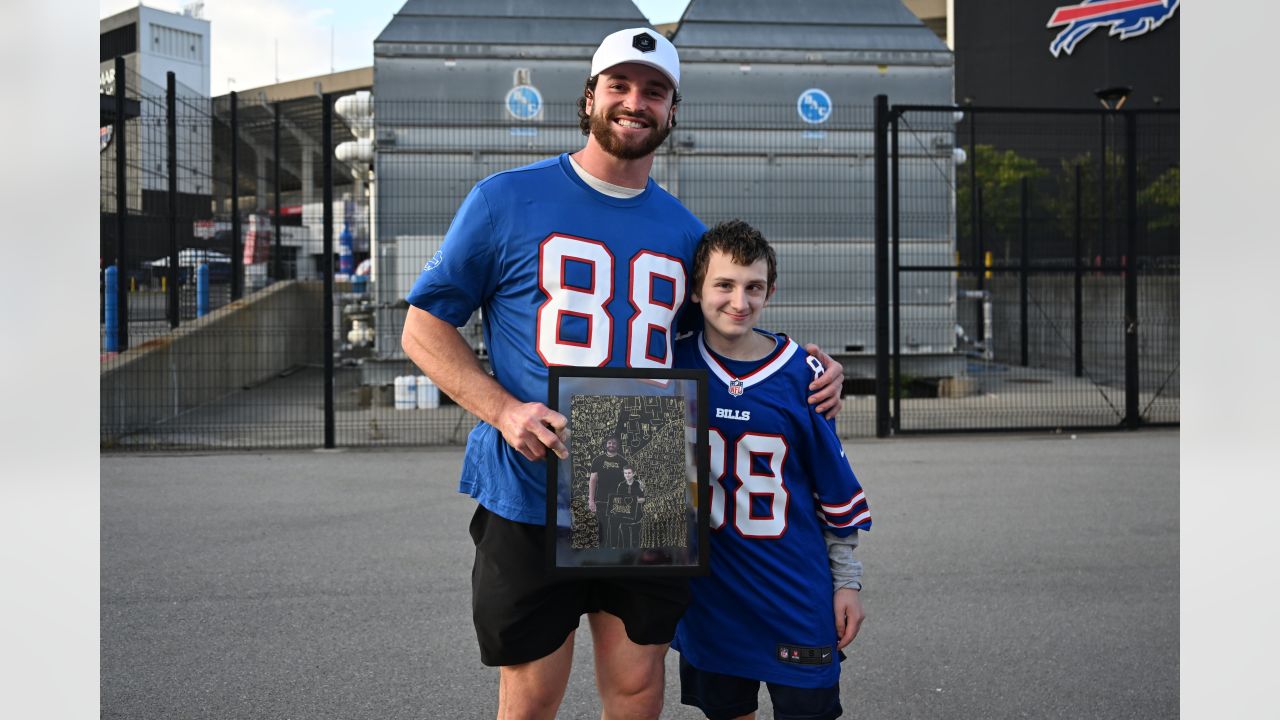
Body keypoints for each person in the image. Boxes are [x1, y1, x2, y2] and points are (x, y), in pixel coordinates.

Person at [400, 27, 846, 719]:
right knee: (531, 693)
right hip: (531, 471)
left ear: (671, 113)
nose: (636, 102)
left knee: (637, 687)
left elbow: (731, 329)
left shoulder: (685, 234)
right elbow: (424, 329)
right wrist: (503, 410)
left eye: (655, 92)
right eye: (621, 85)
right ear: (589, 98)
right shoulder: (504, 199)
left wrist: (807, 363)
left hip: (644, 459)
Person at [671, 220, 873, 720]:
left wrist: (847, 582)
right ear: (697, 290)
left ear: (770, 292)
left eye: (753, 287)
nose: (739, 301)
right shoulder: (671, 362)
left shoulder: (801, 374)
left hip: (793, 591)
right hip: (711, 594)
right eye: (724, 284)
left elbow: (834, 492)